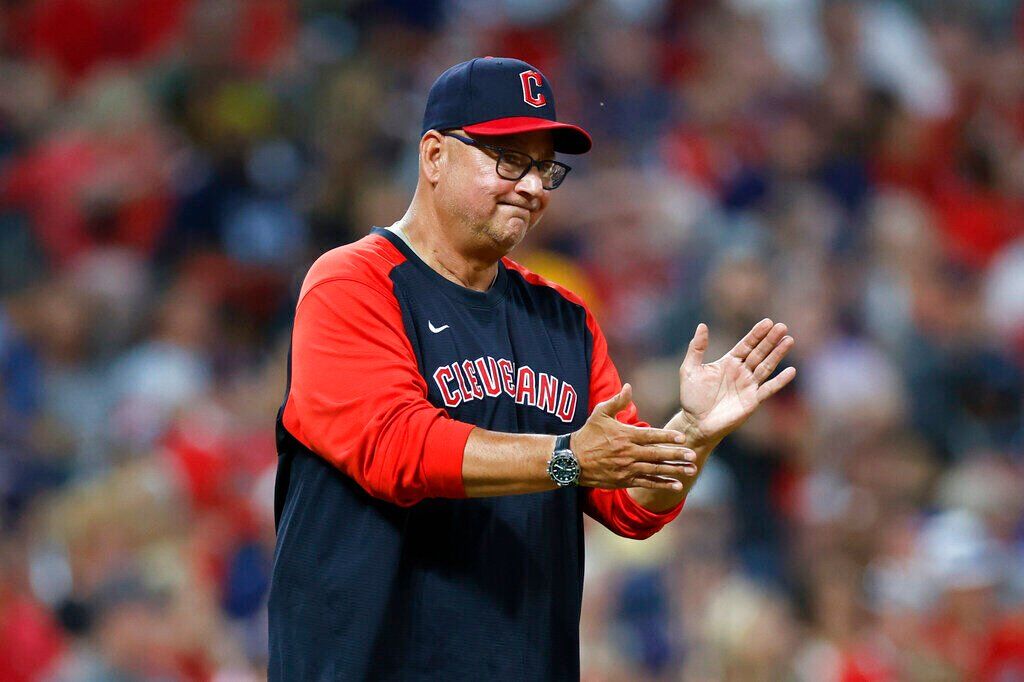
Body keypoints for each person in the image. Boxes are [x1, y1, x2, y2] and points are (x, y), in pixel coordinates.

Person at [267, 56, 796, 680]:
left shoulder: (564, 317)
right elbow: (394, 447)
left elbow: (630, 502)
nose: (533, 186)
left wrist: (690, 436)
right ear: (435, 156)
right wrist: (567, 457)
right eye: (509, 159)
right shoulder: (353, 283)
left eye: (546, 167)